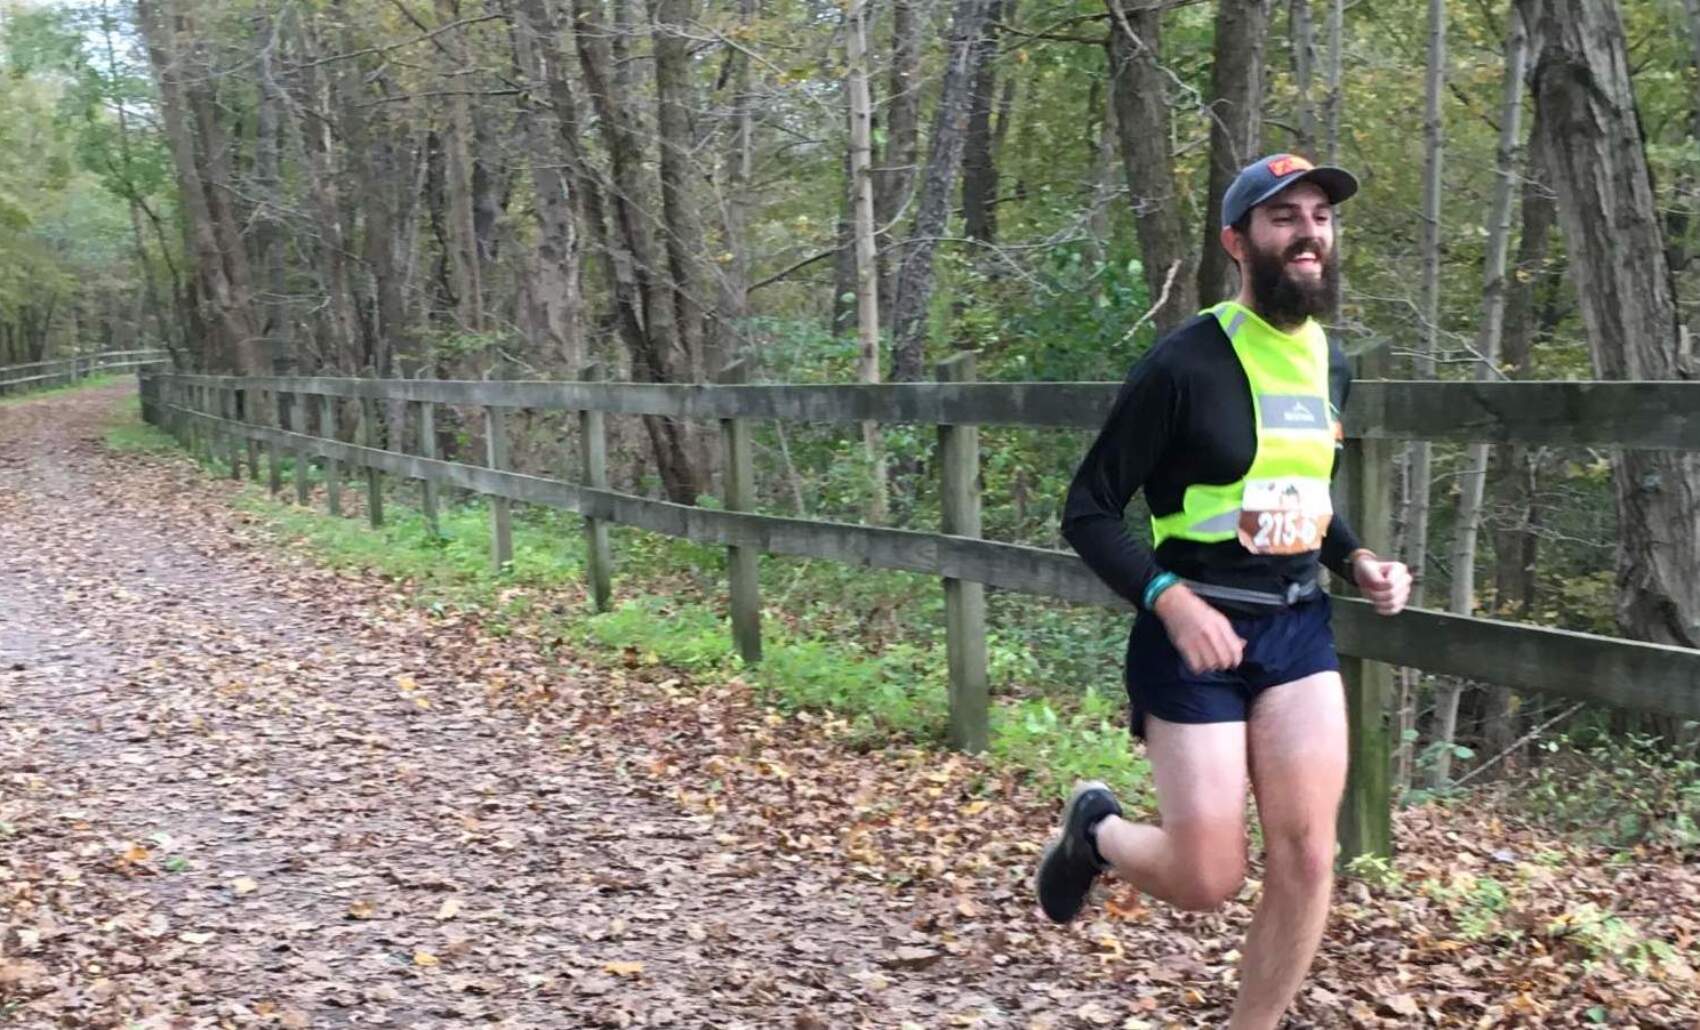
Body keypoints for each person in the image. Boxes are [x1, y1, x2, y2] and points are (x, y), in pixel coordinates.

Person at [1036, 153, 1413, 1030]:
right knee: (1208, 879)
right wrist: (1170, 598)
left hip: (1296, 629)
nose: (1309, 232)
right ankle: (1095, 830)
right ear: (1237, 242)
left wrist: (1355, 561)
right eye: (1284, 218)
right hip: (1192, 630)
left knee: (1310, 856)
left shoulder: (1332, 363)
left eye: (1320, 215)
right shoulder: (1183, 364)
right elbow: (1088, 510)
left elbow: (1303, 494)